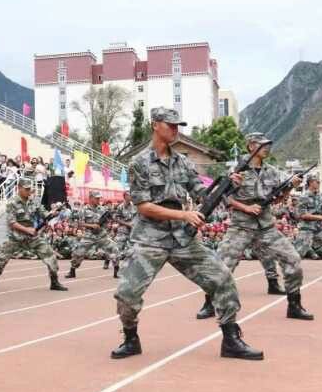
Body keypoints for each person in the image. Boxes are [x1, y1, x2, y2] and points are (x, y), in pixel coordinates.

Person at [111, 107, 262, 361]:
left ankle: (231, 338)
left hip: (182, 238)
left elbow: (202, 193)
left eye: (177, 125)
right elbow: (143, 206)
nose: (175, 129)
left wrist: (227, 186)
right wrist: (183, 215)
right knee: (127, 295)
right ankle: (130, 337)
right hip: (150, 239)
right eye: (170, 125)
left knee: (222, 277)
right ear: (155, 125)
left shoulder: (184, 162)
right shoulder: (139, 163)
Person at [196, 132, 313, 322]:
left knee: (293, 260)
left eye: (268, 144)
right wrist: (246, 207)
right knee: (222, 265)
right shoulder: (237, 170)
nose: (266, 147)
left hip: (266, 226)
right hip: (241, 226)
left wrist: (291, 186)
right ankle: (209, 303)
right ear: (251, 146)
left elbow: (280, 198)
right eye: (262, 144)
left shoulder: (273, 171)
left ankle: (294, 304)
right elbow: (224, 197)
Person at [0, 178, 68, 292]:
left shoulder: (33, 202)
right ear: (19, 188)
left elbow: (43, 214)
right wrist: (27, 230)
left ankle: (54, 282)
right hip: (15, 237)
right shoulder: (12, 203)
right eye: (26, 189)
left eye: (29, 189)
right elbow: (12, 223)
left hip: (32, 237)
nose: (28, 191)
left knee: (49, 254)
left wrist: (53, 213)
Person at [67, 191, 119, 279]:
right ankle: (72, 270)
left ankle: (116, 270)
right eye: (96, 198)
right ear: (90, 198)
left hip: (101, 235)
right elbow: (80, 223)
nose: (98, 200)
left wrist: (107, 224)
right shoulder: (83, 209)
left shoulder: (103, 209)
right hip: (89, 235)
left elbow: (108, 221)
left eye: (99, 198)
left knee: (114, 249)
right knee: (78, 252)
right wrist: (92, 226)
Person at [112, 191, 137, 278]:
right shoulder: (120, 207)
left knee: (132, 251)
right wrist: (127, 224)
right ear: (125, 196)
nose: (131, 196)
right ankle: (116, 268)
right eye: (129, 195)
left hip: (132, 232)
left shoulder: (135, 206)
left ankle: (128, 270)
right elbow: (116, 218)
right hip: (122, 231)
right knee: (116, 250)